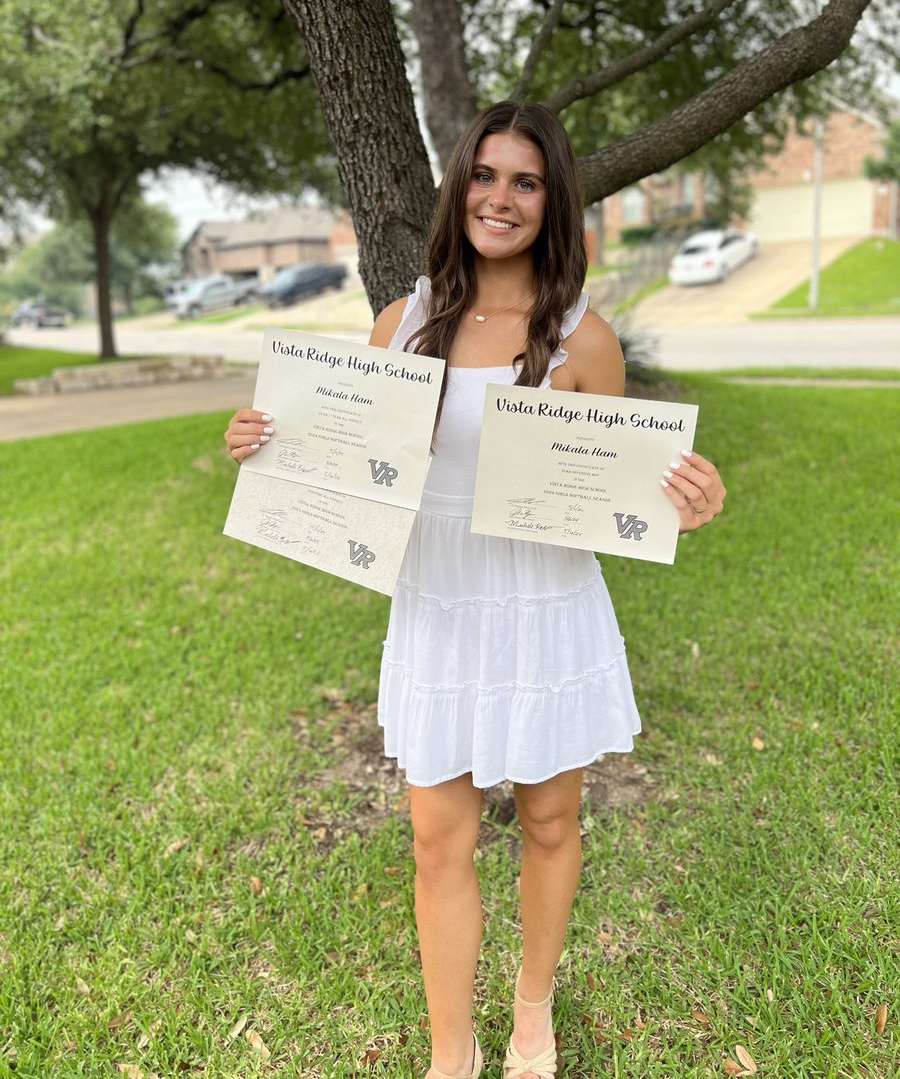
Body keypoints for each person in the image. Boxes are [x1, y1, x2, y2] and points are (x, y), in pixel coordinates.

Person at [225, 102, 726, 1079]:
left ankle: (532, 1014)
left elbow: (612, 489)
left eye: (526, 182)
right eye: (486, 176)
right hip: (439, 599)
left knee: (550, 823)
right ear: (460, 188)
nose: (502, 198)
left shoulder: (585, 340)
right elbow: (352, 454)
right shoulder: (400, 323)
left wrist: (682, 503)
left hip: (543, 602)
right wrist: (267, 442)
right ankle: (451, 1051)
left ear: (552, 201)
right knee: (435, 841)